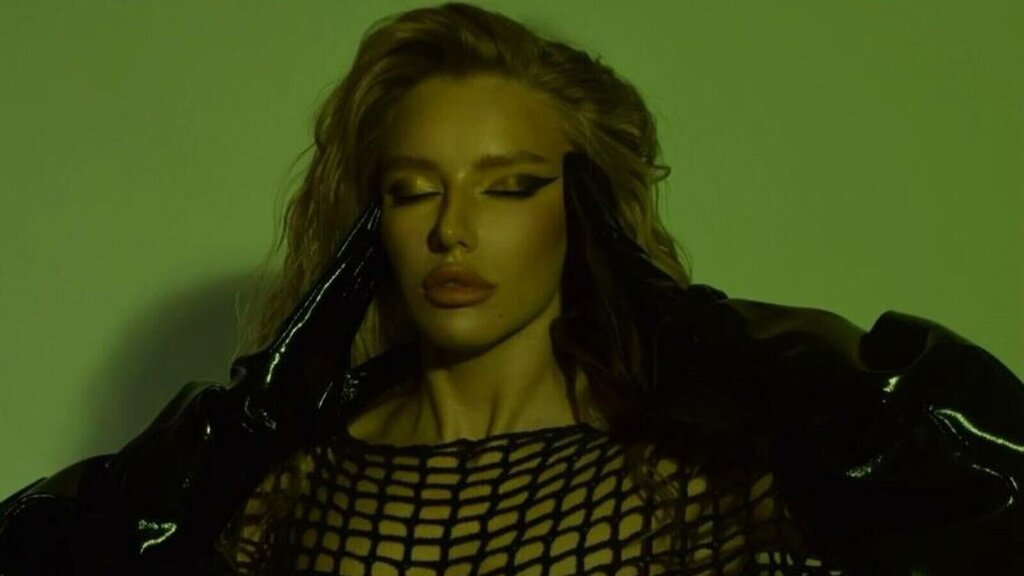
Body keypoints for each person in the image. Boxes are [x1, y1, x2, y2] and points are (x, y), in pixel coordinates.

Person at [2, 3, 1022, 575]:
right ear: (368, 224)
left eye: (510, 186)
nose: (451, 228)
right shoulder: (288, 488)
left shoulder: (699, 478)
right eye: (411, 191)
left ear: (589, 210)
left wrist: (749, 360)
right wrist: (232, 438)